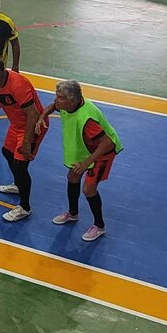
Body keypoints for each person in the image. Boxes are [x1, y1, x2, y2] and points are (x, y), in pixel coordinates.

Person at [43, 80, 123, 242]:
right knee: (73, 177)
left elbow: (107, 143)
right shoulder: (68, 104)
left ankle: (99, 226)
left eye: (60, 98)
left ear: (72, 100)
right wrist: (41, 117)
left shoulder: (87, 119)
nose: (56, 100)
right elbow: (53, 106)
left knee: (88, 189)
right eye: (56, 96)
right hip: (86, 147)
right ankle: (73, 214)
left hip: (103, 152)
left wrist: (86, 163)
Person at [0, 54, 48, 223]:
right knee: (7, 152)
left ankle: (25, 208)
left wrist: (27, 141)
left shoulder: (18, 85)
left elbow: (33, 114)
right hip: (17, 125)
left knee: (20, 166)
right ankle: (18, 185)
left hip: (32, 126)